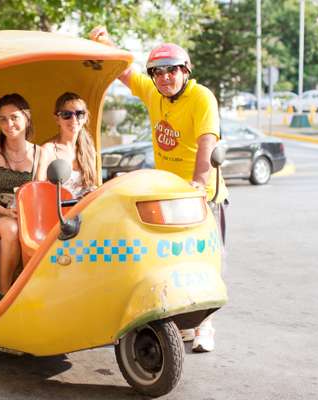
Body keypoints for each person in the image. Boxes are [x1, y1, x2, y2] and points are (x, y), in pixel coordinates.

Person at [90, 27, 228, 352]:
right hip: (169, 194)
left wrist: (199, 182)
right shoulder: (154, 94)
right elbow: (127, 73)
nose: (164, 77)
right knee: (170, 259)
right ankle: (179, 322)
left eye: (171, 70)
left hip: (201, 194)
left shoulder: (201, 97)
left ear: (185, 71)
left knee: (205, 257)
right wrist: (106, 42)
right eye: (158, 72)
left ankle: (205, 326)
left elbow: (208, 140)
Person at [0, 93, 42, 301]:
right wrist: (6, 212)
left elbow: (39, 194)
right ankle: (4, 294)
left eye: (14, 117)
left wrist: (22, 214)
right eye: (3, 119)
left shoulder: (40, 153)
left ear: (26, 117)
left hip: (23, 213)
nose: (8, 123)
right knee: (11, 229)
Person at [37, 92, 97, 197]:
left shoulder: (89, 149)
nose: (74, 119)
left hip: (85, 209)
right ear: (57, 119)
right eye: (66, 115)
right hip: (57, 210)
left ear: (85, 117)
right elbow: (38, 190)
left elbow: (92, 185)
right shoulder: (47, 150)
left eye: (79, 114)